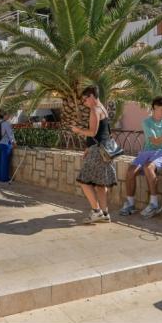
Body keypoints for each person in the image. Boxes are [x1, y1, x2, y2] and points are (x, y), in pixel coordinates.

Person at [119, 96, 162, 218]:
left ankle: (154, 204)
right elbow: (155, 141)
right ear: (154, 108)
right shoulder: (147, 122)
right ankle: (130, 204)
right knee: (131, 171)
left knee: (148, 167)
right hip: (147, 152)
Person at [70, 86, 116, 224]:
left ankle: (96, 212)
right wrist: (87, 148)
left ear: (91, 96)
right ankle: (105, 213)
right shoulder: (103, 109)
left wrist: (78, 130)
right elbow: (104, 133)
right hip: (105, 150)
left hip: (97, 151)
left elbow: (92, 132)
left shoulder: (95, 110)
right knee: (100, 184)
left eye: (85, 100)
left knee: (84, 182)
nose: (84, 103)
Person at [0, 112, 15, 182]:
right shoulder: (6, 123)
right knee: (4, 162)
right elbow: (10, 134)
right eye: (8, 115)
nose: (9, 117)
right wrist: (14, 143)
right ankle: (4, 178)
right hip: (5, 144)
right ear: (4, 116)